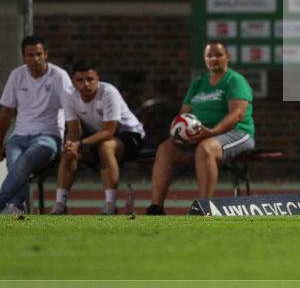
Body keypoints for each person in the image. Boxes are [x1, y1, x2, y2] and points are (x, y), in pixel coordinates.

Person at [146, 41, 255, 215]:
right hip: (203, 135)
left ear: (228, 57)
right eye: (209, 55)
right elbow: (184, 115)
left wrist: (212, 132)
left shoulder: (235, 81)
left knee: (206, 149)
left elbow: (237, 115)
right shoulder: (198, 84)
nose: (214, 59)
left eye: (218, 55)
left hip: (237, 133)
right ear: (205, 59)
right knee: (165, 149)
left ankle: (203, 208)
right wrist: (181, 134)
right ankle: (156, 208)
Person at [49, 60, 146, 215]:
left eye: (90, 79)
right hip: (97, 135)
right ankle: (60, 204)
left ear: (97, 79)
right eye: (80, 80)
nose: (86, 84)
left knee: (105, 146)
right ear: (73, 82)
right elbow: (74, 130)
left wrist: (79, 144)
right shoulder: (68, 95)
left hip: (130, 135)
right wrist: (71, 146)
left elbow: (108, 132)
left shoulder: (109, 92)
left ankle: (110, 205)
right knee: (69, 150)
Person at [0, 36, 73, 215]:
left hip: (48, 136)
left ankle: (4, 202)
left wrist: (71, 140)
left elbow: (72, 114)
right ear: (23, 56)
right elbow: (6, 112)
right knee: (14, 162)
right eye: (30, 55)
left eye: (39, 54)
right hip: (19, 136)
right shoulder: (17, 75)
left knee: (23, 163)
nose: (36, 59)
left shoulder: (59, 76)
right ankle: (16, 206)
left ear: (46, 54)